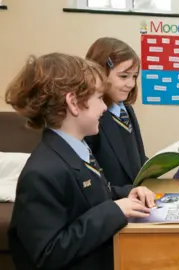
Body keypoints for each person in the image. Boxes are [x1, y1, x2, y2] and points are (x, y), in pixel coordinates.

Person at [5, 53, 156, 270]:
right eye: (98, 98)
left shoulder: (78, 150)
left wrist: (126, 193)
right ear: (74, 103)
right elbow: (48, 254)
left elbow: (90, 198)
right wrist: (114, 211)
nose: (105, 107)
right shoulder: (42, 172)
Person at [85, 37, 147, 187]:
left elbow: (136, 157)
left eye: (134, 77)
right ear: (99, 73)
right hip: (114, 201)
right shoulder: (91, 118)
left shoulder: (127, 110)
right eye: (124, 76)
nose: (131, 84)